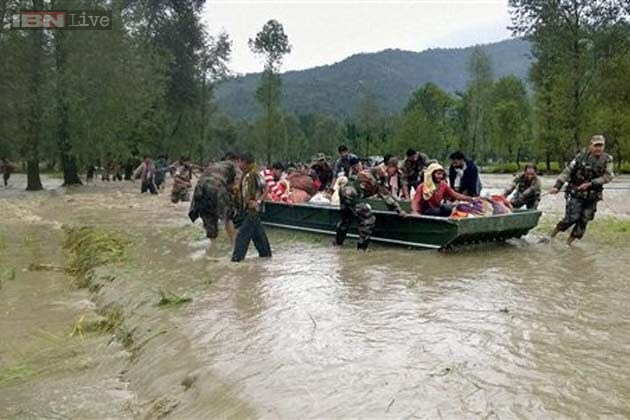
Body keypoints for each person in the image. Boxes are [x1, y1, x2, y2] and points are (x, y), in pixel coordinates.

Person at [549, 135, 614, 245]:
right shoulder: (579, 158)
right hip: (576, 193)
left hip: (593, 195)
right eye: (596, 145)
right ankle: (552, 235)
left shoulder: (608, 159)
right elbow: (567, 172)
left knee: (584, 220)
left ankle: (568, 243)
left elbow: (609, 176)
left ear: (604, 146)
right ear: (590, 146)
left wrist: (591, 183)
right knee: (572, 217)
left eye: (601, 146)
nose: (598, 148)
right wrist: (557, 186)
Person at [335, 160, 407, 250]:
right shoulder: (382, 174)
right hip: (352, 193)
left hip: (344, 190)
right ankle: (361, 249)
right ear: (390, 167)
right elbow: (386, 196)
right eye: (395, 171)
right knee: (368, 219)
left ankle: (338, 244)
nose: (394, 174)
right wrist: (399, 210)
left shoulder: (374, 169)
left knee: (346, 218)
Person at [189, 157, 239, 247]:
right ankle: (234, 245)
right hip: (216, 186)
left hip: (200, 188)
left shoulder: (214, 165)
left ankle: (212, 247)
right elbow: (236, 186)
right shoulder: (233, 165)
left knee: (208, 217)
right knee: (227, 216)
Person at [231, 153, 272, 262]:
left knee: (241, 237)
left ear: (244, 162)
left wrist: (258, 202)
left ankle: (236, 261)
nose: (238, 164)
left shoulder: (254, 174)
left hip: (252, 211)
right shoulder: (245, 175)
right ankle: (266, 258)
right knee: (260, 238)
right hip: (247, 212)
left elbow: (267, 188)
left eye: (239, 162)